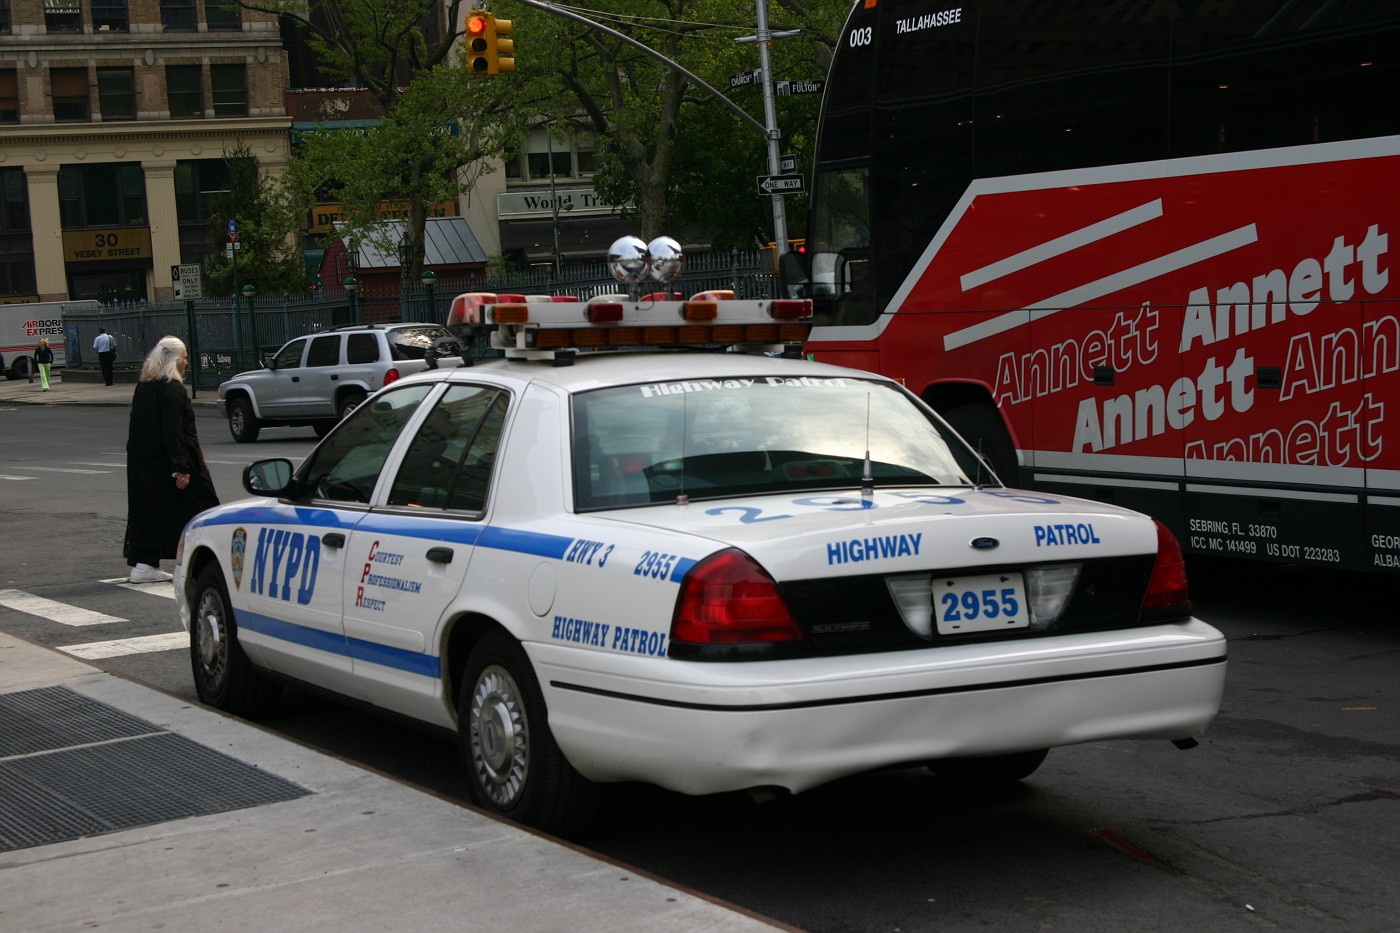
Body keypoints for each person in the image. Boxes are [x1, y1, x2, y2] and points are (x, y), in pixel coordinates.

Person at [123, 337, 218, 583]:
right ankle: (200, 563)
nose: (187, 362)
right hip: (173, 462)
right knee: (202, 509)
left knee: (150, 513)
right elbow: (174, 430)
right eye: (185, 357)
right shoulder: (173, 390)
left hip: (143, 463)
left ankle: (144, 564)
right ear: (175, 360)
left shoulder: (144, 386)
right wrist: (181, 467)